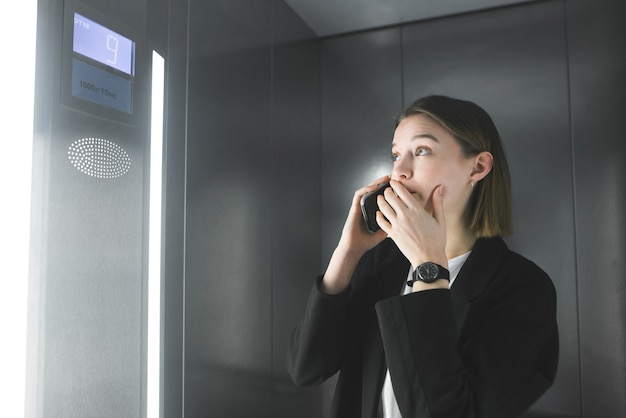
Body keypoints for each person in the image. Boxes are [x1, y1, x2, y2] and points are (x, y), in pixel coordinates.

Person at [286, 95, 559, 417]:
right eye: (396, 154)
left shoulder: (524, 288)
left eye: (422, 151)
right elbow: (306, 370)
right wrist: (347, 253)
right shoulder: (380, 262)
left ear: (478, 166)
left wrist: (429, 268)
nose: (400, 171)